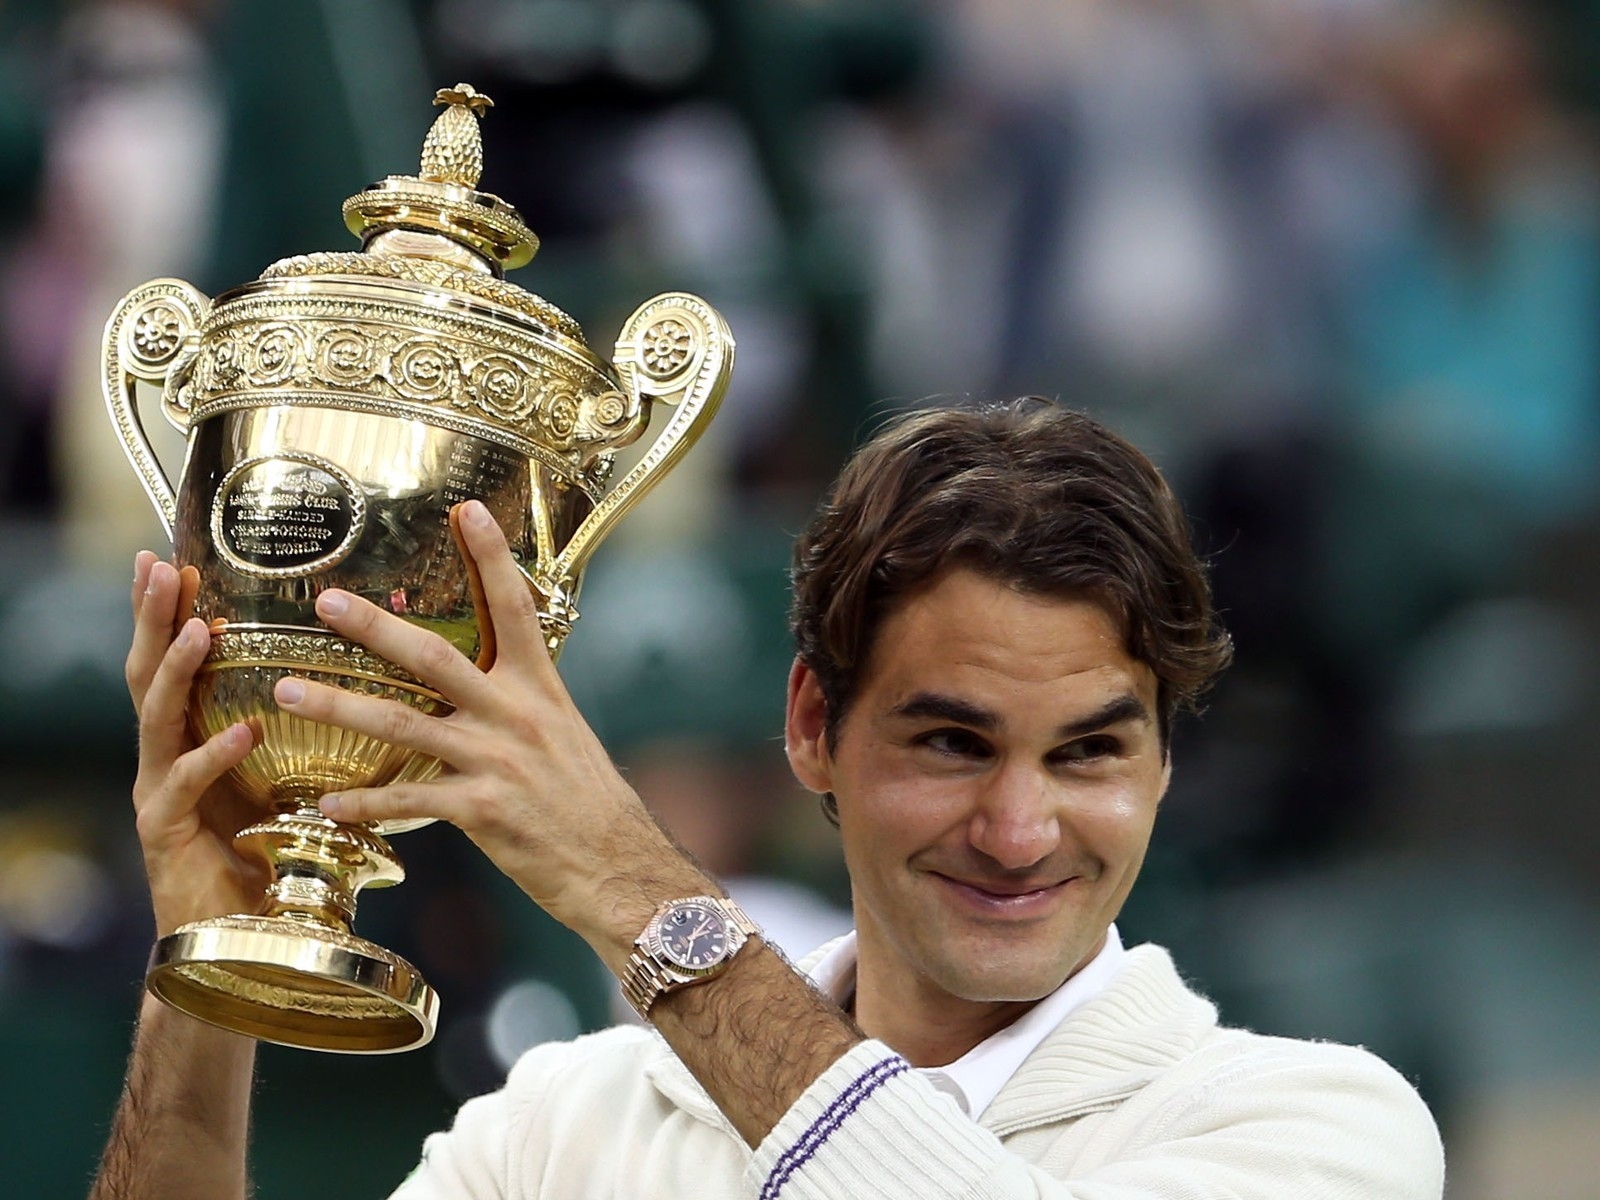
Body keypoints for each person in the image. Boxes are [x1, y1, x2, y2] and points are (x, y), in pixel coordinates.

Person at [91, 399, 1444, 1199]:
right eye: (952, 745)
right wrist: (202, 986)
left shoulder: (1319, 1128)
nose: (1022, 831)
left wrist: (630, 881)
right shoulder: (572, 1124)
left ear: (1160, 763)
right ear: (813, 730)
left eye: (1089, 753)